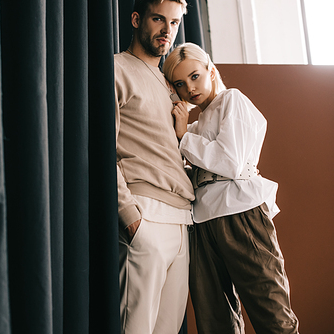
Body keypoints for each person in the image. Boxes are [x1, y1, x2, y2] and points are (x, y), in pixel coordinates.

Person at [163, 42, 299, 334]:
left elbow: (230, 161)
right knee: (213, 318)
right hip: (201, 222)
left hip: (241, 213)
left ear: (211, 70)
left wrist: (182, 135)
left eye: (195, 76)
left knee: (270, 310)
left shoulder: (231, 100)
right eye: (180, 83)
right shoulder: (195, 124)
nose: (190, 88)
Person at [114, 1, 194, 333]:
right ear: (136, 19)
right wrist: (130, 216)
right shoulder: (116, 68)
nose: (167, 30)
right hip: (146, 217)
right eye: (158, 19)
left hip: (182, 221)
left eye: (174, 23)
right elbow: (97, 147)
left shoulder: (170, 83)